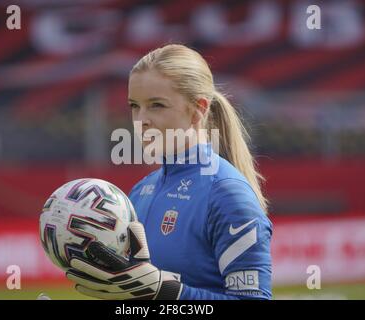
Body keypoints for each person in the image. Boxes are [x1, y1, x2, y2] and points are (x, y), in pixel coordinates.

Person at [65, 44, 272, 300]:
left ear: (199, 110)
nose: (141, 120)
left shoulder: (228, 194)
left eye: (157, 105)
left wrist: (167, 292)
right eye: (134, 106)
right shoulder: (140, 191)